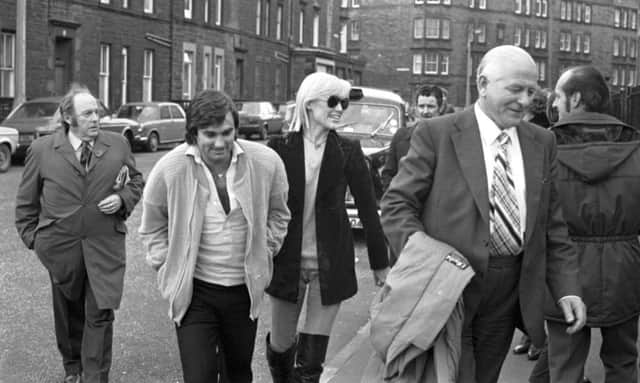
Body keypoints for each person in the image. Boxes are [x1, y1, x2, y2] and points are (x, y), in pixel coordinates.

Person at [381, 45, 586, 383]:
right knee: (453, 375)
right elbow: (397, 205)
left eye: (531, 91)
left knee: (485, 376)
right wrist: (427, 262)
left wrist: (568, 288)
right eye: (515, 89)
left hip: (508, 290)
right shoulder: (437, 133)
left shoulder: (542, 142)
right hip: (446, 288)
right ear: (482, 83)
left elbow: (552, 225)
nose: (525, 100)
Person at [138, 89, 290, 383]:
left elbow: (279, 212)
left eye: (226, 132)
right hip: (196, 292)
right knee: (200, 376)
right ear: (193, 134)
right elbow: (152, 224)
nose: (220, 143)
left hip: (243, 290)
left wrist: (266, 249)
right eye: (210, 134)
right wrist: (167, 265)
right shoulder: (171, 168)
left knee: (238, 373)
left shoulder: (266, 162)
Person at [264, 71, 390, 383]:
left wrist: (380, 263)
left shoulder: (348, 151)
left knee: (311, 365)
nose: (339, 108)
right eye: (332, 101)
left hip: (329, 266)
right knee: (281, 348)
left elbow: (369, 210)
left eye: (344, 103)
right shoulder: (279, 148)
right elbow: (258, 206)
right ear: (308, 104)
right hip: (285, 263)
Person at [15, 85, 144, 383]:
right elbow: (25, 204)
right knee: (68, 312)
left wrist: (123, 198)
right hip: (60, 248)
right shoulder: (42, 150)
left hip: (104, 246)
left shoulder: (117, 146)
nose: (95, 118)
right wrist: (36, 241)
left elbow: (135, 181)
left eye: (97, 112)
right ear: (68, 117)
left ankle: (94, 377)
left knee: (100, 314)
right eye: (87, 113)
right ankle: (73, 367)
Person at [528, 65, 640, 383]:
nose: (553, 105)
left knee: (564, 365)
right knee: (623, 361)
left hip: (565, 273)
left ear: (575, 99)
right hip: (625, 271)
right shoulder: (635, 146)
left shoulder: (542, 149)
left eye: (559, 97)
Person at [381, 85, 444, 190]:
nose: (425, 111)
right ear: (416, 108)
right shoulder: (401, 136)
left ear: (440, 108)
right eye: (421, 106)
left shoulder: (448, 138)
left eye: (430, 107)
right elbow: (388, 173)